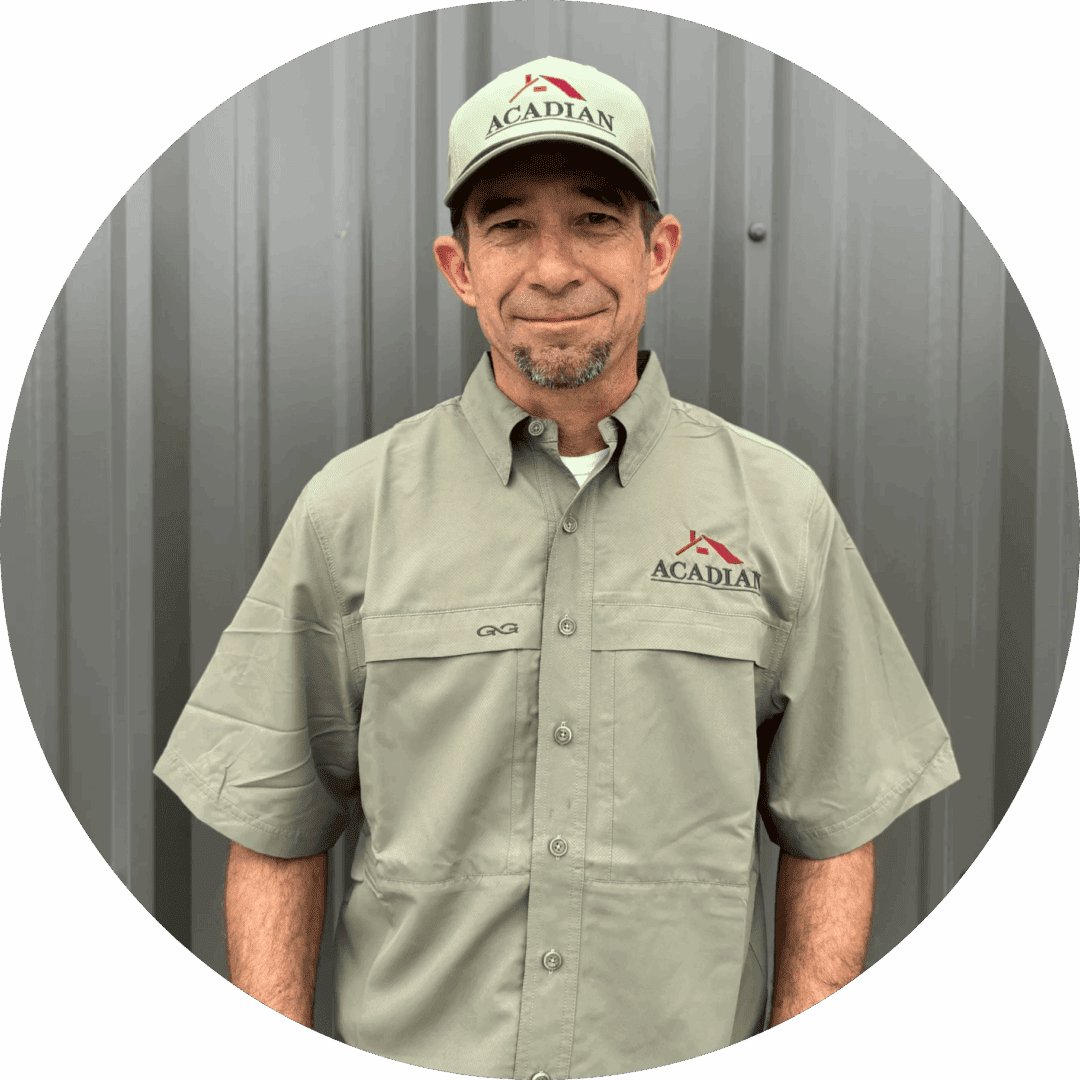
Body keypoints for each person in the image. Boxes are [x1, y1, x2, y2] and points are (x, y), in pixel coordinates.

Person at [154, 56, 960, 1078]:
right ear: (458, 266)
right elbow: (273, 825)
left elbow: (834, 822)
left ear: (657, 249)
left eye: (593, 220)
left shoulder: (778, 510)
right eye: (508, 226)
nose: (552, 268)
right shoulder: (350, 512)